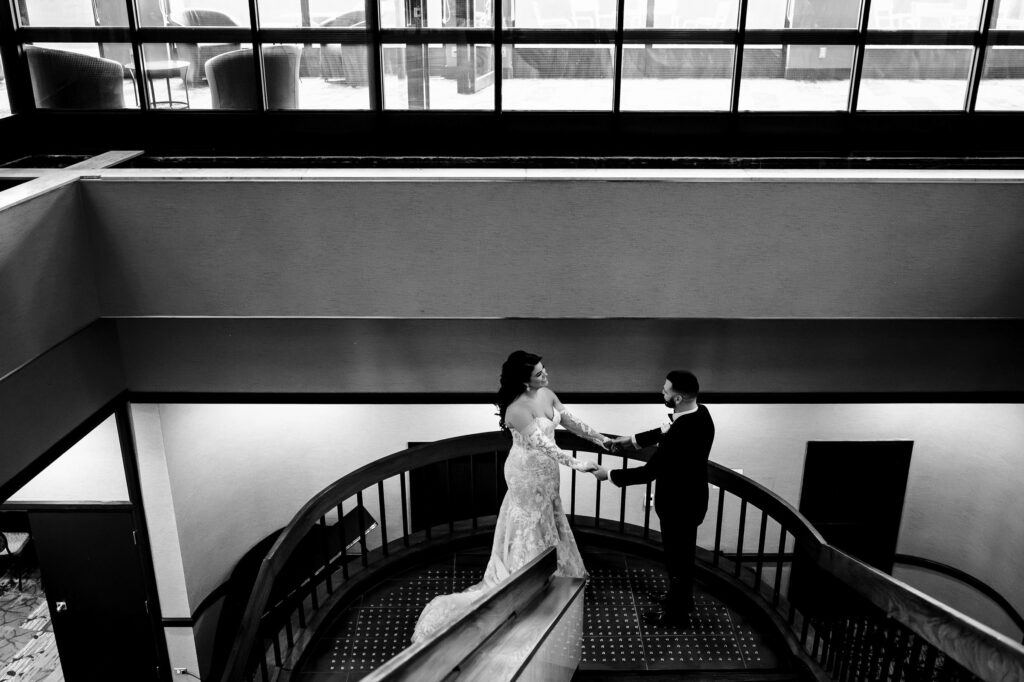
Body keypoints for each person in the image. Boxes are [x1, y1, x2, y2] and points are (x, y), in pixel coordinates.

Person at [411, 350, 610, 642]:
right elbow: (545, 446)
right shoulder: (516, 410)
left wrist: (603, 440)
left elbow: (571, 422)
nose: (546, 375)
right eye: (539, 374)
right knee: (531, 524)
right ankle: (527, 582)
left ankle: (552, 569)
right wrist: (580, 464)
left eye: (545, 369)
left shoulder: (547, 394)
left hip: (548, 473)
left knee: (551, 517)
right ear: (524, 381)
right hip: (526, 472)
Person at [607, 370, 714, 628]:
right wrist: (631, 441)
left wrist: (608, 474)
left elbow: (648, 472)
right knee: (683, 557)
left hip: (678, 505)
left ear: (677, 398)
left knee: (677, 562)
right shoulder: (700, 413)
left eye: (666, 390)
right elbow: (665, 429)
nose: (662, 392)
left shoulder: (682, 433)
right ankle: (682, 603)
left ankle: (675, 616)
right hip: (693, 499)